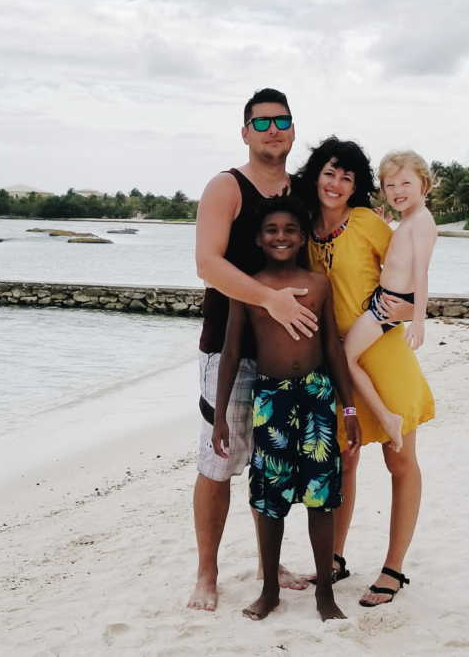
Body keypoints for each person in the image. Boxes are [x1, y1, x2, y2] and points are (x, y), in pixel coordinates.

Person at [189, 88, 318, 612]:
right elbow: (207, 264)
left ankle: (269, 563)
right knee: (218, 463)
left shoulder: (305, 192)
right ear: (244, 132)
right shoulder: (227, 187)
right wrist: (270, 300)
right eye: (260, 123)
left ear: (293, 129)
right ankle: (207, 573)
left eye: (281, 121)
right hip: (229, 349)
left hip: (289, 354)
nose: (272, 130)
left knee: (274, 464)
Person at [296, 137, 435, 607]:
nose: (335, 184)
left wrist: (406, 311)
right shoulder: (305, 228)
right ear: (316, 175)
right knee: (343, 460)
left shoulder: (368, 223)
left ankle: (394, 568)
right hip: (334, 364)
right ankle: (334, 559)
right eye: (329, 173)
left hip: (384, 354)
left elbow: (405, 273)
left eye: (347, 177)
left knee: (399, 460)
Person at [212, 198, 360, 621]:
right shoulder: (249, 286)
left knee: (321, 497)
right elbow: (232, 350)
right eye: (272, 230)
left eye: (290, 229)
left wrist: (348, 409)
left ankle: (325, 593)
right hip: (271, 399)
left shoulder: (318, 283)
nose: (281, 236)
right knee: (269, 498)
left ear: (302, 237)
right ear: (259, 238)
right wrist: (220, 414)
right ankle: (270, 590)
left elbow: (332, 346)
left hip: (316, 396)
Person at [342, 150, 438, 453]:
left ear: (424, 183)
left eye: (405, 184)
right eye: (390, 186)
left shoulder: (422, 222)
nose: (397, 192)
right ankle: (384, 415)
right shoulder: (409, 220)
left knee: (346, 358)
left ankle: (387, 417)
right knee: (348, 356)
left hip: (388, 306)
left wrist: (418, 320)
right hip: (383, 301)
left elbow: (421, 273)